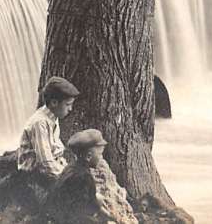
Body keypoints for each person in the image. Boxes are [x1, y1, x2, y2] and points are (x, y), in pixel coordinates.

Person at [13, 76, 81, 206]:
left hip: (50, 169)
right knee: (70, 198)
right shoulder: (40, 123)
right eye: (68, 105)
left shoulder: (53, 117)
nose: (70, 109)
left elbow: (55, 150)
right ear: (54, 102)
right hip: (36, 176)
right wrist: (65, 178)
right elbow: (45, 162)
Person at [49, 128, 137, 224]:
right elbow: (80, 213)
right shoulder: (83, 177)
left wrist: (109, 214)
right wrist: (106, 220)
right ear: (88, 156)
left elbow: (89, 200)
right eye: (100, 154)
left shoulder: (72, 167)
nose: (101, 158)